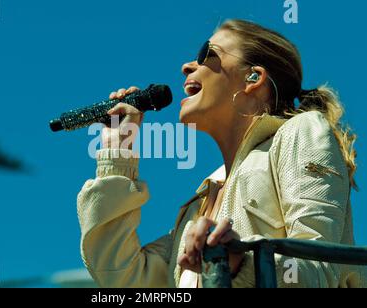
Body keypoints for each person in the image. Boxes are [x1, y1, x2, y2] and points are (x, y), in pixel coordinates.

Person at [76, 19, 364, 288]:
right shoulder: (199, 202)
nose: (186, 66)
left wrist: (239, 264)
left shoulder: (301, 132)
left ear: (253, 78)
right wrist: (117, 150)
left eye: (206, 54)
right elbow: (122, 275)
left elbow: (319, 264)